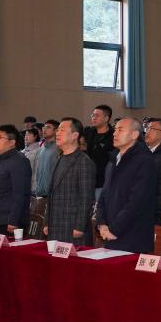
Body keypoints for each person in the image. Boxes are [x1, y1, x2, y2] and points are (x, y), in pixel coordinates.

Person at [95, 117, 156, 253]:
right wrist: (102, 224)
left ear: (134, 134)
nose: (114, 133)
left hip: (133, 237)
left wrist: (113, 229)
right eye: (115, 129)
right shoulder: (112, 161)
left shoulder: (144, 161)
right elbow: (103, 197)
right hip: (109, 234)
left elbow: (137, 202)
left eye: (120, 130)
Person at [45, 117, 96, 246]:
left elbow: (86, 197)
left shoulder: (83, 161)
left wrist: (80, 226)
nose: (57, 133)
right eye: (57, 130)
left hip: (72, 227)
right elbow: (51, 194)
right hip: (55, 225)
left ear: (75, 135)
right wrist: (47, 222)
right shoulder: (59, 158)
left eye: (62, 130)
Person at [0, 125, 32, 235]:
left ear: (12, 142)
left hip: (9, 222)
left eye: (0, 137)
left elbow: (20, 193)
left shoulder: (19, 161)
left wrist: (14, 220)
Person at [83, 104, 115, 196]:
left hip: (103, 182)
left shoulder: (113, 136)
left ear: (106, 118)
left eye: (97, 116)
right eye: (92, 115)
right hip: (88, 179)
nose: (93, 118)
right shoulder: (90, 132)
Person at [32, 120, 60, 197]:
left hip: (52, 193)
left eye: (48, 127)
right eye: (44, 127)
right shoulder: (42, 148)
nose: (44, 129)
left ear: (56, 131)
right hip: (39, 192)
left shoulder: (59, 148)